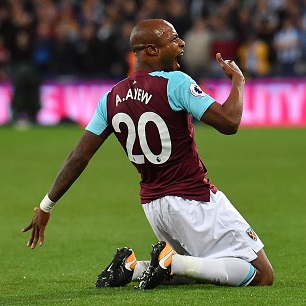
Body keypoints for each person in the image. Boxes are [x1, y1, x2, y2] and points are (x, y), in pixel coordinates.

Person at [22, 19, 274, 289]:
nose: (181, 43)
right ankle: (171, 262)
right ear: (151, 50)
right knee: (261, 273)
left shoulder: (110, 97)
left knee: (199, 266)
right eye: (174, 39)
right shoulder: (176, 84)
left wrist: (46, 206)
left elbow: (79, 156)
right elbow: (229, 122)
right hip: (193, 198)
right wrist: (238, 80)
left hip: (154, 207)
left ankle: (134, 267)